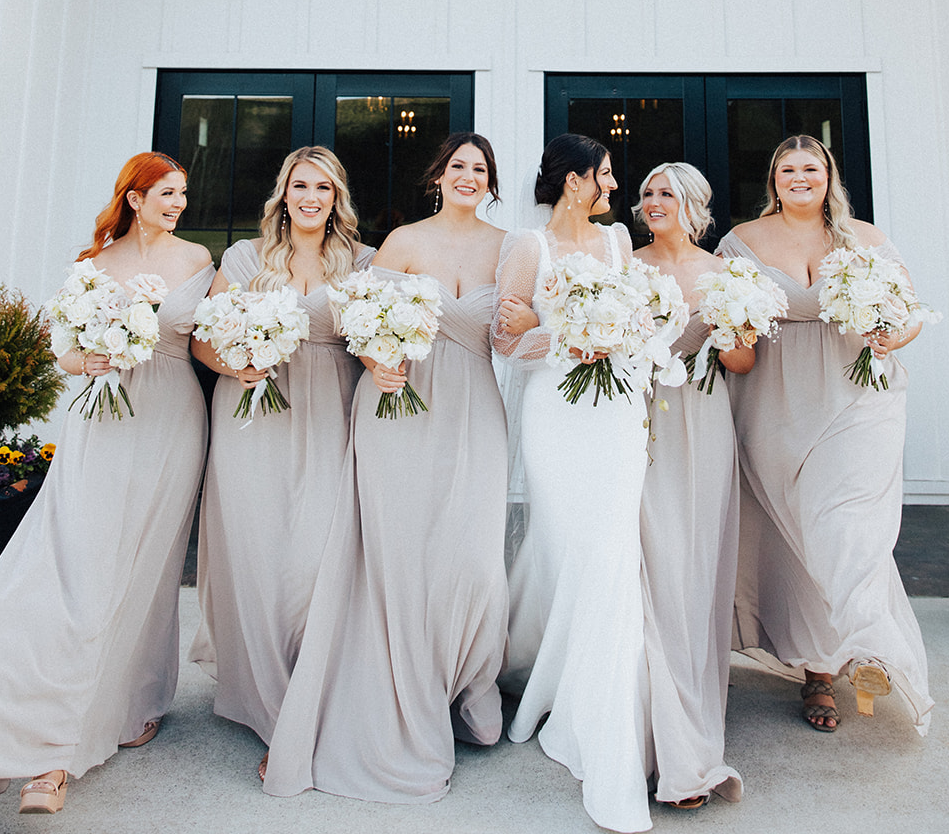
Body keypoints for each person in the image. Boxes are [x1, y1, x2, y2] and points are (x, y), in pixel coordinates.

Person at [0, 152, 212, 812]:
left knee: (149, 564)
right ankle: (49, 750)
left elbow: (202, 341)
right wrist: (89, 356)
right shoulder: (92, 267)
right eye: (166, 193)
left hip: (172, 419)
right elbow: (64, 352)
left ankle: (139, 698)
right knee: (81, 568)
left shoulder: (198, 260)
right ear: (134, 198)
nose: (178, 203)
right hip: (101, 422)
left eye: (183, 194)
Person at [261, 131, 508, 803]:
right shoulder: (399, 245)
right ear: (438, 175)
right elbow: (356, 326)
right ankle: (404, 697)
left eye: (478, 168)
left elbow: (516, 332)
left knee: (473, 557)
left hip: (474, 410)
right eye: (456, 165)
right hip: (398, 402)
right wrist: (376, 361)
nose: (466, 175)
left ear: (491, 181)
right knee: (398, 554)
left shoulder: (508, 247)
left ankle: (465, 680)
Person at [717, 135, 932, 735]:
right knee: (796, 536)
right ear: (773, 179)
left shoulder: (866, 238)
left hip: (860, 397)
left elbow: (910, 311)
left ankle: (869, 647)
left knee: (848, 526)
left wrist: (893, 335)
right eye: (788, 169)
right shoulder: (743, 242)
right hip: (776, 403)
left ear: (828, 175)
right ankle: (818, 671)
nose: (799, 178)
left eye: (811, 168)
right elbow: (733, 325)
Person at [188, 146, 373, 763]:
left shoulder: (364, 264)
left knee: (314, 562)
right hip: (253, 416)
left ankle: (309, 698)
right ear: (283, 193)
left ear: (336, 197)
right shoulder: (245, 257)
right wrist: (235, 365)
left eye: (324, 186)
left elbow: (384, 338)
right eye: (301, 185)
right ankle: (273, 713)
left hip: (331, 417)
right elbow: (203, 338)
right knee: (259, 558)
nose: (311, 197)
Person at [492, 133, 650, 834]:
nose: (613, 187)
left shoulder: (617, 243)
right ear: (573, 179)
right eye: (605, 175)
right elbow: (505, 340)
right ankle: (548, 676)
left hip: (615, 411)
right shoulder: (528, 246)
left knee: (610, 547)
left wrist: (612, 337)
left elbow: (642, 326)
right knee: (565, 542)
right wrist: (565, 337)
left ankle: (601, 699)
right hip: (557, 412)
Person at [633, 162, 752, 811]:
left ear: (693, 204)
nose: (655, 202)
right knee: (650, 569)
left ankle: (689, 724)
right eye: (648, 192)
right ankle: (653, 736)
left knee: (691, 573)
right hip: (634, 425)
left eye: (667, 193)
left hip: (701, 428)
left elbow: (742, 361)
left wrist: (732, 329)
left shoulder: (722, 273)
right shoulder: (621, 265)